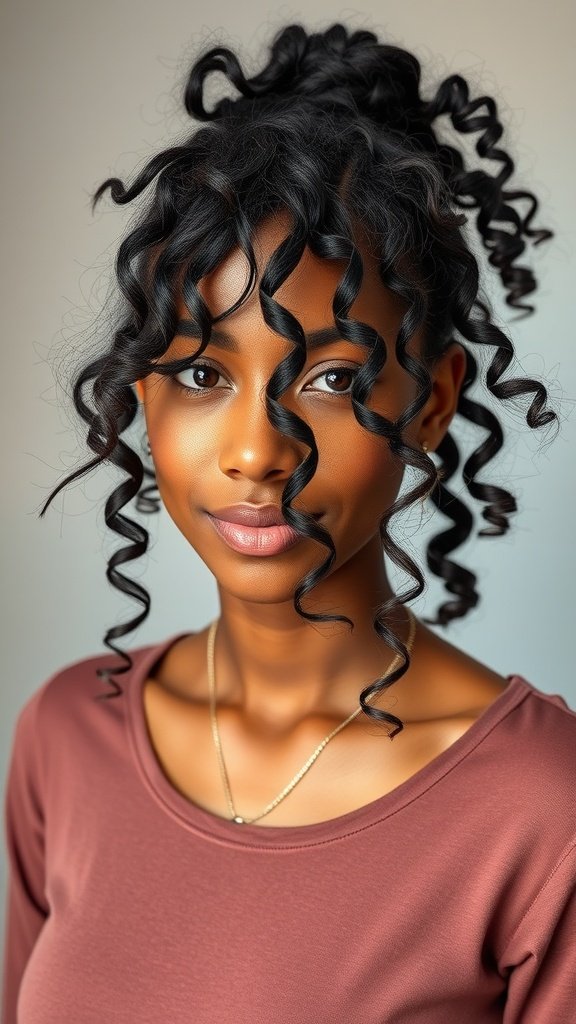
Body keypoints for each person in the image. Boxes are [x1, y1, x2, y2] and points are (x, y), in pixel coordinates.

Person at [2, 20, 575, 1024]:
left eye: (332, 378)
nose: (258, 451)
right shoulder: (66, 737)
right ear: (141, 395)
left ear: (433, 400)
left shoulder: (541, 807)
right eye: (200, 373)